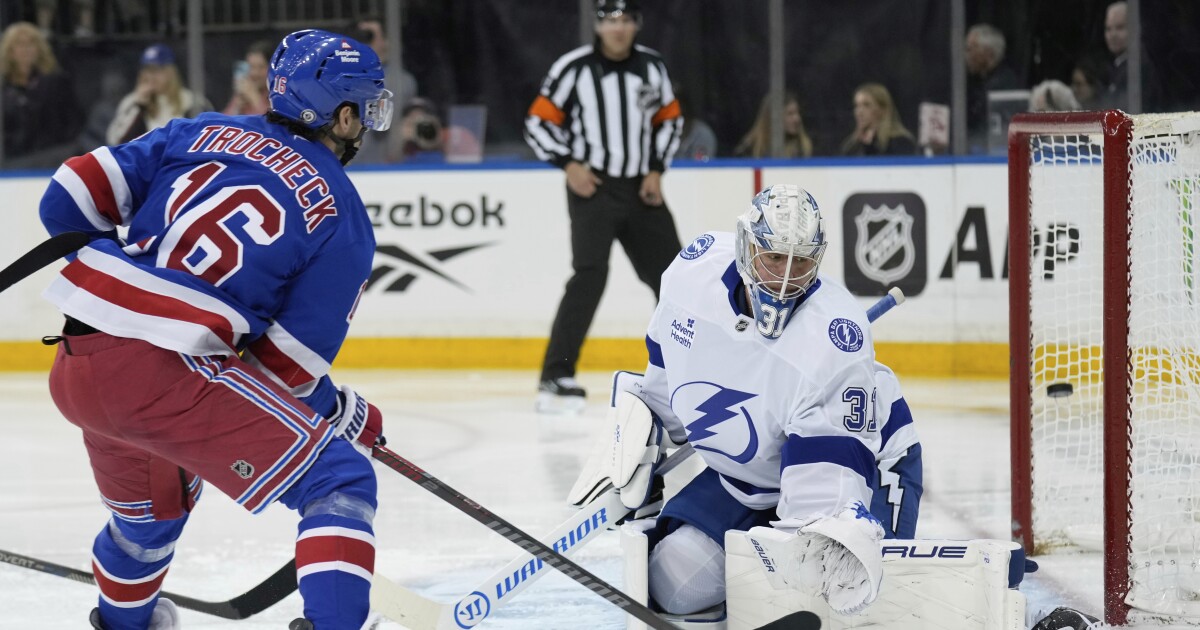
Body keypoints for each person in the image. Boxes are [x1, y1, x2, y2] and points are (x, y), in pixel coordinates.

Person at [38, 29, 394, 630]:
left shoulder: (198, 130)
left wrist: (122, 278)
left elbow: (68, 195)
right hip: (169, 374)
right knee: (339, 480)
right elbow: (285, 371)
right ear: (341, 115)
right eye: (364, 109)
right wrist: (338, 412)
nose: (365, 124)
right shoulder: (344, 217)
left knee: (150, 518)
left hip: (82, 357)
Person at [581, 185, 923, 618]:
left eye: (801, 262)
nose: (785, 277)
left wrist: (790, 583)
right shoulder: (693, 278)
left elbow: (820, 510)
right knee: (672, 587)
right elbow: (665, 391)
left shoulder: (833, 343)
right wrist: (636, 448)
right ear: (747, 246)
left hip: (867, 462)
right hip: (748, 480)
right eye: (774, 257)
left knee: (840, 594)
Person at [524, 0, 683, 413]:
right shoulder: (573, 68)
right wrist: (568, 163)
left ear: (637, 25)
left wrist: (656, 169)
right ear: (597, 26)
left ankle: (684, 369)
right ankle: (556, 375)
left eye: (626, 20)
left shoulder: (652, 66)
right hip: (593, 188)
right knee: (589, 276)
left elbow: (669, 119)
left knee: (676, 281)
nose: (618, 28)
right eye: (611, 20)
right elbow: (538, 121)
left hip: (642, 188)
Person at [0, 21, 82, 167]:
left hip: (51, 157)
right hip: (11, 162)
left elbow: (73, 122)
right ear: (9, 51)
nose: (26, 49)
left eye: (31, 43)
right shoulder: (3, 89)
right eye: (20, 44)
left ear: (39, 49)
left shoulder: (57, 83)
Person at [106, 43, 212, 146]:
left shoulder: (191, 101)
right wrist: (139, 107)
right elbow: (114, 141)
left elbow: (210, 138)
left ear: (171, 72)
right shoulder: (132, 102)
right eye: (147, 70)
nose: (151, 76)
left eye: (157, 70)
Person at [350, 16, 419, 164]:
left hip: (385, 164)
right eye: (359, 37)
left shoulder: (400, 81)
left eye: (370, 36)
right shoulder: (335, 78)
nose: (364, 43)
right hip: (347, 163)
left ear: (386, 41)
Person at [965, 23, 1020, 153]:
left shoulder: (1004, 84)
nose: (966, 55)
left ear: (988, 52)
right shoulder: (975, 81)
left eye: (971, 48)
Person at [839, 83, 916, 156]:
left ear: (883, 109)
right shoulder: (851, 146)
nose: (859, 112)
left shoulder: (900, 142)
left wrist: (871, 145)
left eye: (866, 105)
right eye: (857, 106)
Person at [735, 91, 813, 159]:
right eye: (790, 114)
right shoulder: (748, 150)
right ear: (773, 117)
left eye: (797, 113)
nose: (797, 119)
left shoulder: (803, 148)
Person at [221, 39, 273, 116]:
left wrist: (255, 99)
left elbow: (271, 121)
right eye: (251, 67)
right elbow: (224, 120)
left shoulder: (277, 95)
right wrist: (237, 108)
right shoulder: (244, 91)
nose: (254, 73)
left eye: (261, 67)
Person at [1102, 1, 1129, 109]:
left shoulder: (1137, 69)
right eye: (1108, 29)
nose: (1113, 35)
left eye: (1120, 27)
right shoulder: (1115, 66)